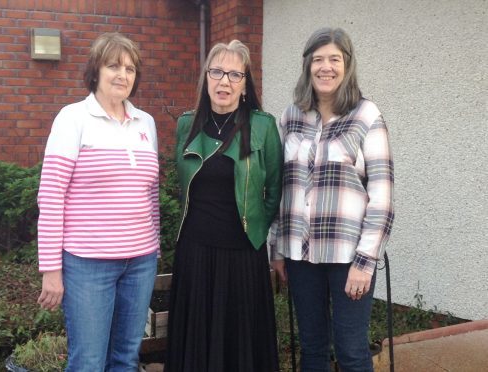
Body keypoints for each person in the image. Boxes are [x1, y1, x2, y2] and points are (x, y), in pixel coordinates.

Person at [269, 27, 394, 372]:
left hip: (347, 258)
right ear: (308, 65)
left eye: (334, 59)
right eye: (318, 59)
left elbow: (382, 197)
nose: (326, 67)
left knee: (351, 350)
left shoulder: (366, 116)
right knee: (311, 349)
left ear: (347, 65)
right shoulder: (290, 117)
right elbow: (282, 186)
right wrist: (277, 248)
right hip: (300, 254)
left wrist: (365, 261)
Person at [36, 32, 159, 372]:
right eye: (114, 66)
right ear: (96, 71)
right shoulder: (72, 119)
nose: (123, 75)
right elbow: (51, 196)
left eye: (130, 68)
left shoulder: (145, 122)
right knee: (88, 361)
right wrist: (51, 269)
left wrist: (155, 248)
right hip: (87, 265)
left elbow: (151, 194)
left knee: (126, 357)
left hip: (140, 263)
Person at [164, 40, 283, 372]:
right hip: (195, 252)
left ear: (245, 84)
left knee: (240, 343)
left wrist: (258, 232)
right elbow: (183, 186)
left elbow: (275, 190)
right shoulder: (187, 124)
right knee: (196, 343)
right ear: (206, 78)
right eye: (217, 72)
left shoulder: (263, 126)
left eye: (234, 74)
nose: (224, 81)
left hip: (243, 253)